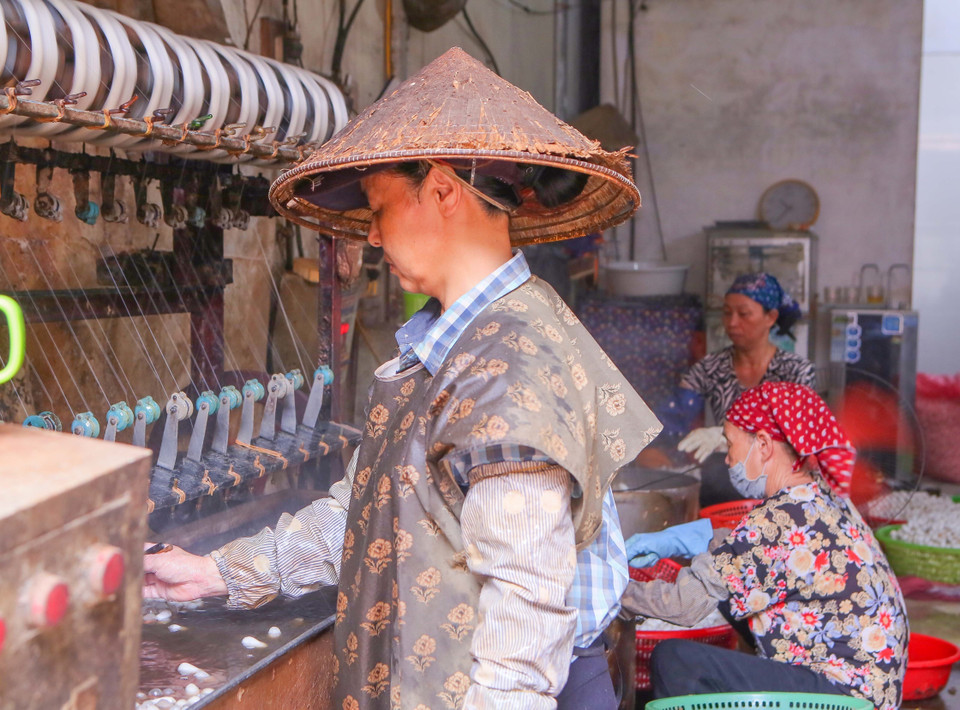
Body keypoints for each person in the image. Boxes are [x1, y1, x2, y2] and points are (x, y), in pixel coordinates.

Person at [143, 47, 663, 710]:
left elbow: (525, 612)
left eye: (379, 208)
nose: (377, 239)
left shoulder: (510, 360)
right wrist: (216, 573)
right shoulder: (451, 344)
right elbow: (370, 514)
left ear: (441, 190)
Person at [621, 382, 908, 709]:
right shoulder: (821, 496)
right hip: (873, 689)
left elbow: (684, 605)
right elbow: (745, 554)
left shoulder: (779, 518)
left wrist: (615, 591)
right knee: (729, 592)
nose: (728, 460)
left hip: (841, 697)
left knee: (676, 659)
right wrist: (680, 540)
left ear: (763, 445)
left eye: (730, 446)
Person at [658, 272, 816, 505]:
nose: (732, 323)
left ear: (770, 317)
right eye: (727, 313)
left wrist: (725, 436)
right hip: (724, 486)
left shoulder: (797, 372)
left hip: (781, 490)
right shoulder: (710, 368)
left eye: (744, 314)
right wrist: (657, 450)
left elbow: (796, 435)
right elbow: (674, 417)